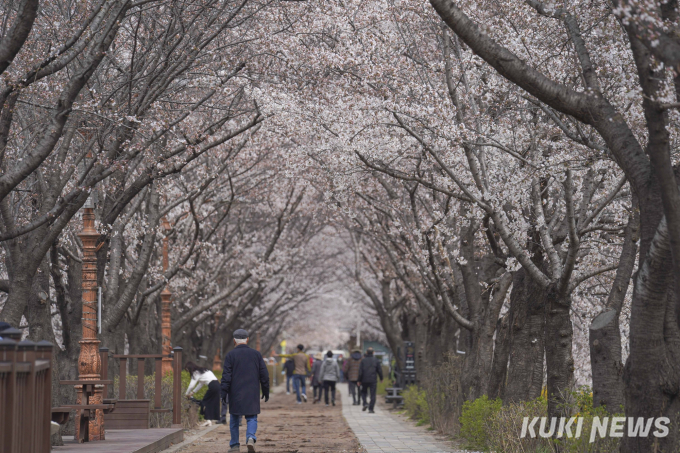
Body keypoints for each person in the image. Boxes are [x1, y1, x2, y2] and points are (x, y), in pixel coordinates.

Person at [221, 329, 270, 453]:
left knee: (234, 419)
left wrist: (223, 392)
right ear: (247, 339)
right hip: (252, 391)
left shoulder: (230, 355)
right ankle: (250, 438)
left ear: (234, 340)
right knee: (252, 417)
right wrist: (265, 390)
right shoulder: (256, 354)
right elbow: (264, 374)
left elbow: (226, 376)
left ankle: (235, 445)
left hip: (235, 391)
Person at [185, 361, 221, 426]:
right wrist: (193, 392)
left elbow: (191, 385)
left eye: (187, 370)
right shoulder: (204, 370)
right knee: (209, 403)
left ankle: (208, 420)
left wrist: (186, 393)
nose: (188, 372)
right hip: (217, 385)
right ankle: (209, 420)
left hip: (213, 386)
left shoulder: (196, 373)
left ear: (190, 368)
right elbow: (200, 384)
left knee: (205, 402)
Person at [358, 347, 383, 413]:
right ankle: (371, 409)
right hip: (373, 379)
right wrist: (381, 378)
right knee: (373, 394)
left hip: (364, 379)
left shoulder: (363, 360)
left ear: (366, 352)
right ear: (373, 352)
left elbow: (360, 371)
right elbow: (379, 370)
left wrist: (359, 380)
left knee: (363, 392)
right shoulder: (376, 360)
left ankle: (365, 403)